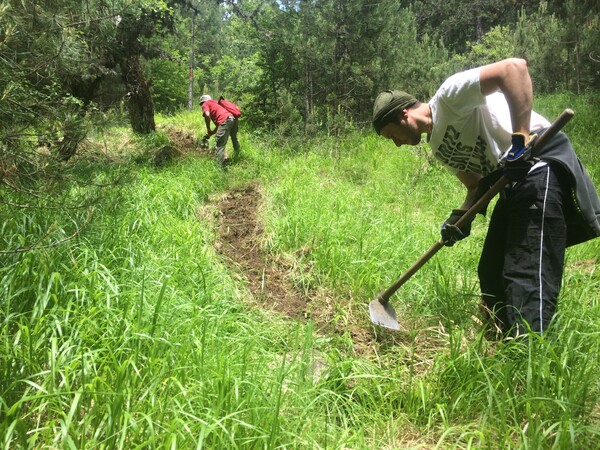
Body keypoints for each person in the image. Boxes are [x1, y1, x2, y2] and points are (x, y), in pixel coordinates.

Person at [373, 58, 600, 338]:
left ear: (403, 114)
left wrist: (520, 139)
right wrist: (459, 218)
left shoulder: (449, 97)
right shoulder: (438, 146)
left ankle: (529, 356)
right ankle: (505, 345)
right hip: (513, 181)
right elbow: (475, 185)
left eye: (391, 135)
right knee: (491, 271)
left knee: (526, 269)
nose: (396, 143)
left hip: (540, 162)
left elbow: (514, 69)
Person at [199, 94, 241, 166]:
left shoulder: (205, 104)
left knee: (220, 145)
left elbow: (207, 115)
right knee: (234, 138)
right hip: (234, 119)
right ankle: (238, 158)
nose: (202, 106)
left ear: (203, 101)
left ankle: (219, 166)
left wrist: (208, 128)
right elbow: (220, 124)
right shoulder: (217, 103)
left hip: (225, 120)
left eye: (201, 104)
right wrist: (211, 132)